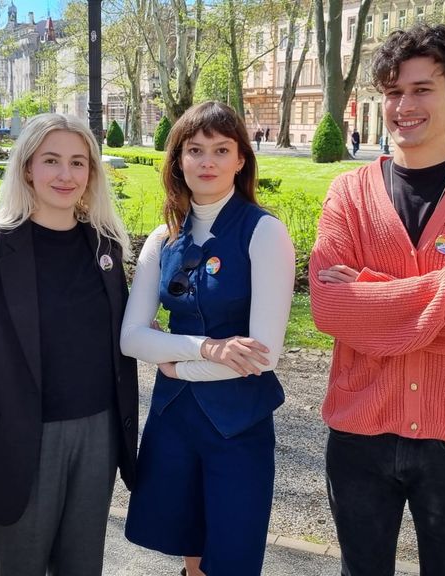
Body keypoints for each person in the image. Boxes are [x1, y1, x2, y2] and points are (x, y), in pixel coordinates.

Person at [309, 24, 445, 576]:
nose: (403, 105)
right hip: (360, 429)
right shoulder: (349, 193)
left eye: (421, 89)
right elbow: (328, 308)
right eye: (392, 91)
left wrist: (368, 291)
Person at [0, 113, 138, 576]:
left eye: (78, 163)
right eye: (51, 160)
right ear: (27, 167)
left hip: (98, 432)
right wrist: (0, 416)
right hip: (19, 434)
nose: (65, 174)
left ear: (91, 173)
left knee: (81, 566)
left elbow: (119, 344)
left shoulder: (106, 246)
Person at [121, 101, 296, 576]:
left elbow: (262, 356)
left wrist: (175, 363)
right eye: (195, 150)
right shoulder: (164, 237)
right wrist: (205, 352)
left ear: (241, 159)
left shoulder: (264, 232)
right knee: (190, 549)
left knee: (233, 556)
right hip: (174, 417)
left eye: (222, 149)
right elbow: (132, 338)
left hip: (237, 424)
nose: (208, 162)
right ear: (178, 159)